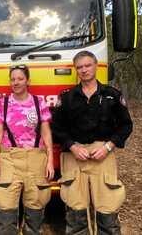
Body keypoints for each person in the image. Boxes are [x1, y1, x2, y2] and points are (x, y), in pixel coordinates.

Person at [51, 50, 133, 235]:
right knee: (76, 210)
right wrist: (72, 146)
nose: (84, 70)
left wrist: (108, 146)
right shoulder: (66, 98)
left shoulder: (112, 95)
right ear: (76, 70)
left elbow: (126, 126)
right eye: (79, 67)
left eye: (87, 65)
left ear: (96, 66)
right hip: (74, 157)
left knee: (107, 208)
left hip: (102, 155)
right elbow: (56, 128)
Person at [0, 64, 54, 234]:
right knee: (6, 207)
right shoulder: (2, 104)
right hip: (9, 158)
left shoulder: (38, 103)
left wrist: (50, 162)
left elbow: (46, 134)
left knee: (35, 207)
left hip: (36, 158)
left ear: (28, 81)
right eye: (13, 79)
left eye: (20, 79)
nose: (16, 82)